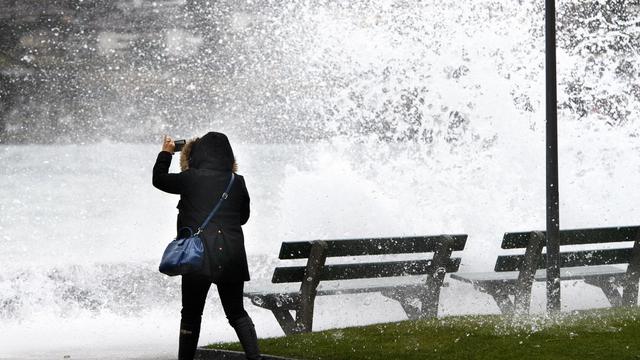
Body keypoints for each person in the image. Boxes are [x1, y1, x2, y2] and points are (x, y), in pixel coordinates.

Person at [152, 132, 261, 360]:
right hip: (231, 254)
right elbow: (243, 217)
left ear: (199, 154)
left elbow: (159, 179)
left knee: (191, 314)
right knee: (236, 312)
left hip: (198, 256)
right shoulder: (236, 181)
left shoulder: (192, 178)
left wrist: (166, 153)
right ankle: (255, 357)